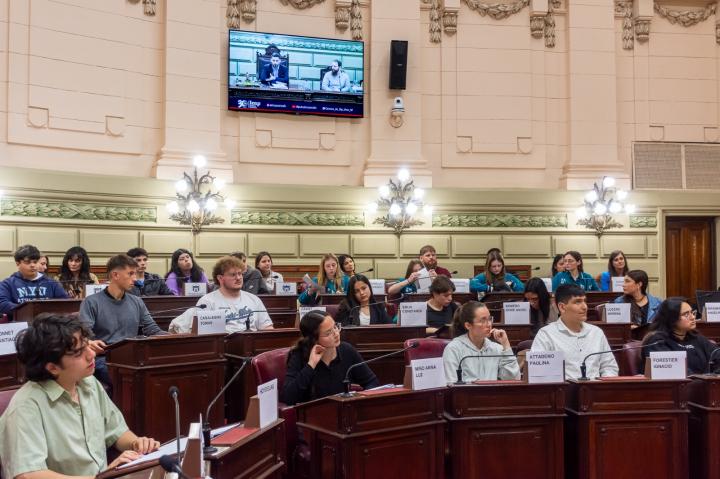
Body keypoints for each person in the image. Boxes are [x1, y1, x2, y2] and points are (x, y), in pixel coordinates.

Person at [0, 314, 160, 479]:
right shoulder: (26, 407)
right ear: (53, 367)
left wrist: (137, 444)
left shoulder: (89, 383)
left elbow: (116, 431)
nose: (91, 354)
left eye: (87, 345)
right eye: (78, 353)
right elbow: (28, 475)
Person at [79, 255, 165, 393]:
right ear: (115, 275)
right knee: (132, 378)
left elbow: (152, 330)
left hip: (133, 357)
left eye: (135, 274)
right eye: (130, 274)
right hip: (105, 359)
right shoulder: (91, 302)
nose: (135, 279)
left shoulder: (137, 301)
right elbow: (85, 334)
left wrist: (173, 337)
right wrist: (89, 342)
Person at [281, 311, 379, 405]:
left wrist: (361, 399)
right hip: (313, 416)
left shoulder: (347, 350)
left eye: (335, 327)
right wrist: (311, 365)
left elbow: (371, 381)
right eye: (328, 333)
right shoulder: (299, 355)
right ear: (314, 339)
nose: (336, 334)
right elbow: (289, 398)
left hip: (344, 411)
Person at [532, 284, 618, 380]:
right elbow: (538, 373)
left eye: (585, 301)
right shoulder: (546, 334)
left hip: (595, 391)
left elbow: (609, 367)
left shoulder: (596, 333)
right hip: (562, 392)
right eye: (577, 302)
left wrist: (602, 388)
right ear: (562, 307)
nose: (585, 307)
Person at [169, 256, 273, 333]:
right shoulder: (207, 302)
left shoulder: (254, 299)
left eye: (240, 274)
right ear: (220, 278)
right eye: (233, 274)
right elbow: (203, 337)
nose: (238, 278)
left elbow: (267, 329)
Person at [442, 301, 519, 383]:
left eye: (489, 319)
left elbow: (513, 379)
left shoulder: (497, 348)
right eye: (483, 320)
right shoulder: (454, 348)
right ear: (468, 325)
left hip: (494, 394)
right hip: (466, 395)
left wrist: (506, 345)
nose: (489, 324)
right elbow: (451, 382)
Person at [641, 298, 719, 375]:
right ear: (672, 318)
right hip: (675, 386)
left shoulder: (696, 337)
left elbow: (717, 355)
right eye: (686, 314)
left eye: (692, 312)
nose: (693, 317)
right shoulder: (656, 341)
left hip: (705, 385)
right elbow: (674, 371)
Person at [0, 244, 67, 318]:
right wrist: (30, 311)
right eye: (27, 262)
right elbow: (2, 304)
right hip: (19, 324)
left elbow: (64, 303)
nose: (32, 265)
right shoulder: (7, 284)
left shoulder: (52, 283)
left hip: (47, 325)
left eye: (35, 262)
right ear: (18, 263)